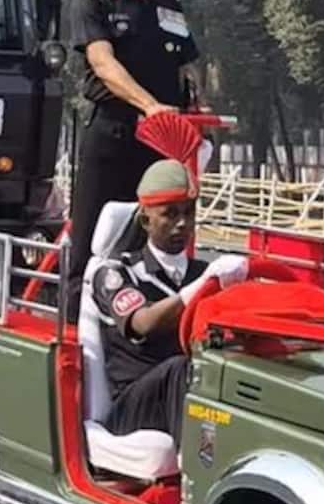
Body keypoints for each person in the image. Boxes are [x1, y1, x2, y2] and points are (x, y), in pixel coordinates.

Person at [64, 0, 204, 299]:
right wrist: (150, 105)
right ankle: (77, 329)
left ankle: (146, 321)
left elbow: (187, 64)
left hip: (161, 142)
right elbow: (103, 64)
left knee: (155, 239)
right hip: (115, 134)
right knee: (92, 237)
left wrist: (198, 108)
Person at [83, 159, 245, 441]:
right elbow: (143, 323)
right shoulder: (115, 274)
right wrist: (202, 287)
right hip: (131, 409)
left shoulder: (201, 272)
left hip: (186, 396)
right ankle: (192, 472)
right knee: (183, 367)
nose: (182, 223)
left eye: (189, 212)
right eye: (169, 214)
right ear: (146, 220)